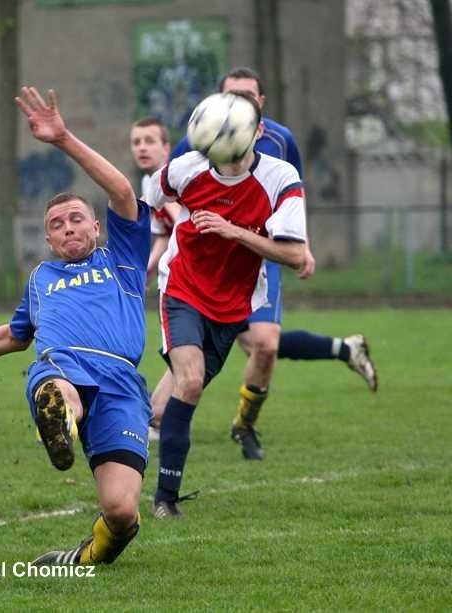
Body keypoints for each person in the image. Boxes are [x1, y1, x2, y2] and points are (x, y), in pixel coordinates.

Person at [0, 86, 152, 566]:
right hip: (62, 366)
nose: (69, 228)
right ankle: (59, 417)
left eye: (77, 219)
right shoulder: (40, 279)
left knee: (120, 511)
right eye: (57, 224)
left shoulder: (123, 258)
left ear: (96, 227)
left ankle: (83, 555)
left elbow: (121, 190)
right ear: (48, 238)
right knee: (59, 388)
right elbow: (13, 336)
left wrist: (62, 139)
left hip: (122, 383)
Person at [155, 66, 377, 463]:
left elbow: (294, 198)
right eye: (231, 94)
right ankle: (344, 349)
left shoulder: (279, 139)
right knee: (223, 350)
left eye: (247, 94)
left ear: (261, 103)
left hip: (260, 254)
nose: (239, 100)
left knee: (265, 344)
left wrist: (301, 247)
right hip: (203, 264)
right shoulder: (202, 132)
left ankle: (244, 427)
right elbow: (169, 188)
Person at [145, 90, 308, 517]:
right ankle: (166, 499)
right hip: (181, 287)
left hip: (235, 304)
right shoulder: (185, 169)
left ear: (258, 131)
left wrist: (234, 232)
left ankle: (112, 416)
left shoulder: (281, 178)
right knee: (190, 381)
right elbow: (147, 197)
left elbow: (293, 255)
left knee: (179, 395)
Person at [129, 117, 180, 286]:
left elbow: (184, 224)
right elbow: (165, 233)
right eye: (136, 142)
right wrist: (148, 268)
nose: (142, 148)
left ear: (166, 148)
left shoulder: (179, 178)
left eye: (149, 141)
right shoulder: (147, 182)